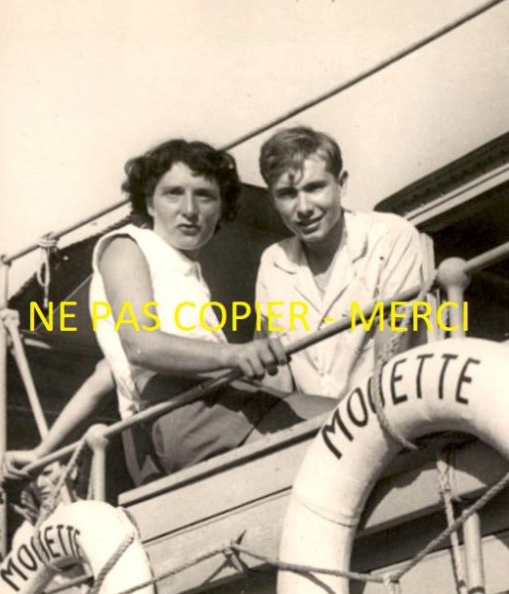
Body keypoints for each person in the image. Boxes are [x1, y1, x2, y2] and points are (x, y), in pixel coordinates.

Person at [89, 138, 327, 484]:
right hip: (180, 413)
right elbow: (139, 344)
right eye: (173, 193)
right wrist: (236, 353)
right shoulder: (127, 245)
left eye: (204, 195)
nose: (189, 209)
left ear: (220, 208)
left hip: (200, 409)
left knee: (349, 415)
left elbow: (108, 368)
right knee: (358, 418)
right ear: (149, 204)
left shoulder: (186, 270)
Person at [255, 126, 426, 399]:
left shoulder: (391, 235)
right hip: (312, 430)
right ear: (273, 200)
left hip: (386, 411)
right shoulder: (272, 262)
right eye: (287, 193)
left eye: (314, 187)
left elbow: (394, 354)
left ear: (341, 183)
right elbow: (276, 377)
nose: (303, 208)